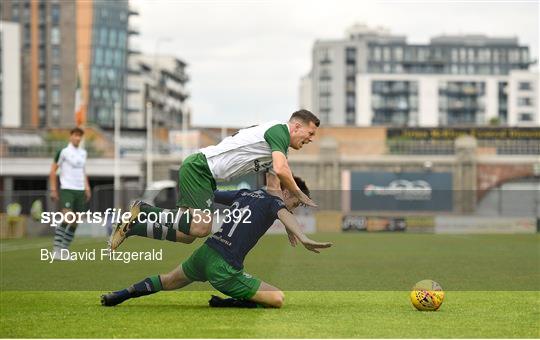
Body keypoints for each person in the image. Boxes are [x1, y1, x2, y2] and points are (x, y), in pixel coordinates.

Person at [101, 176, 331, 308]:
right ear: (287, 192)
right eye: (296, 203)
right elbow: (282, 212)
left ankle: (120, 295)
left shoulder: (246, 194)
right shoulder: (274, 202)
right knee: (277, 299)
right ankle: (226, 302)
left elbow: (211, 194)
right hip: (224, 268)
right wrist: (303, 237)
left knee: (169, 280)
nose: (294, 209)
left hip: (206, 253)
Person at [109, 109, 320, 250]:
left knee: (188, 235)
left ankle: (133, 228)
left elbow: (274, 190)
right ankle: (143, 210)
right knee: (202, 228)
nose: (311, 139)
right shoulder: (279, 131)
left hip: (206, 175)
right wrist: (299, 193)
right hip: (200, 167)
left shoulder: (278, 147)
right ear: (296, 127)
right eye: (310, 133)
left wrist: (289, 225)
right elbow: (281, 169)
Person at [49, 127, 91, 259]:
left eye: (80, 136)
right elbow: (53, 170)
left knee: (75, 221)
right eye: (75, 135)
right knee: (68, 217)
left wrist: (87, 187)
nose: (77, 138)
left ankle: (64, 250)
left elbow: (83, 171)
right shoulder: (63, 152)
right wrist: (53, 189)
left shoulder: (83, 153)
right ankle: (56, 250)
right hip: (67, 188)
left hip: (80, 190)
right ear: (70, 136)